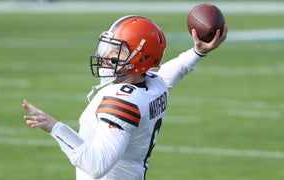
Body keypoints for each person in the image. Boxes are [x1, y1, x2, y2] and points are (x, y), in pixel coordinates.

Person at [22, 15, 227, 180]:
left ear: (141, 59)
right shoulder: (153, 84)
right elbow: (176, 70)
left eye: (118, 50)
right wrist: (197, 52)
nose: (106, 56)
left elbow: (96, 166)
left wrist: (55, 127)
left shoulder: (122, 102)